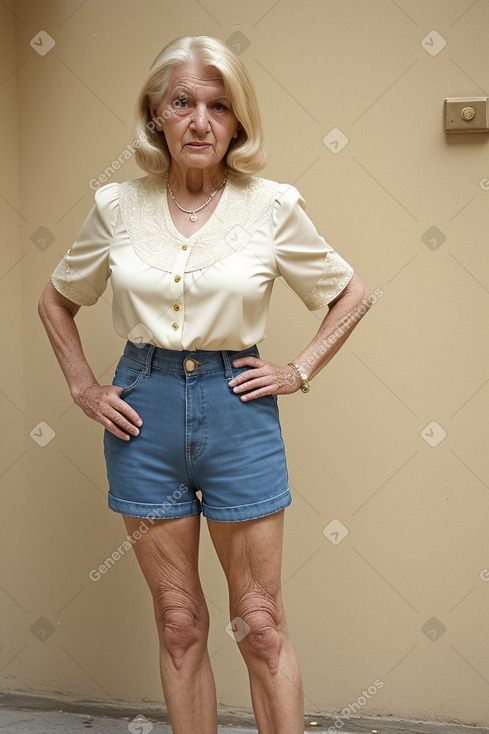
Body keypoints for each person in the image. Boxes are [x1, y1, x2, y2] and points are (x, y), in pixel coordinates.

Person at [38, 35, 371, 734]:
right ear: (155, 114)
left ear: (237, 121)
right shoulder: (115, 207)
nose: (199, 121)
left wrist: (297, 368)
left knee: (259, 623)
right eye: (182, 102)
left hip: (236, 412)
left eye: (218, 106)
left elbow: (351, 295)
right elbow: (56, 300)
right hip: (142, 414)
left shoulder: (272, 205)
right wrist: (83, 387)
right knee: (180, 621)